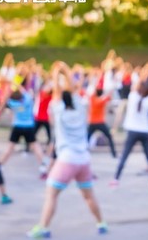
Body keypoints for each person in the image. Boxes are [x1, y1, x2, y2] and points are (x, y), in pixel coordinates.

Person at [27, 62, 107, 238]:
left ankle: (44, 228)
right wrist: (65, 69)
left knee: (51, 193)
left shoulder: (58, 108)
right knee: (88, 195)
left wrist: (56, 73)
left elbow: (58, 91)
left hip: (67, 159)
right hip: (83, 159)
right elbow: (71, 90)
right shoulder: (80, 106)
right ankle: (101, 223)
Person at [110, 65, 148, 187]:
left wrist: (142, 73)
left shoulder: (132, 97)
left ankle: (116, 178)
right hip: (144, 130)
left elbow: (136, 84)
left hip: (132, 130)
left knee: (125, 155)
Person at [0, 85, 48, 177]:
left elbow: (6, 97)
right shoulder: (27, 99)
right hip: (29, 126)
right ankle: (43, 165)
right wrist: (18, 85)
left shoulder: (13, 103)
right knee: (35, 146)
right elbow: (24, 91)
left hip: (17, 126)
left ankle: (1, 164)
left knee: (10, 147)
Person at [87, 88, 117, 158]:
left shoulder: (92, 99)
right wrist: (110, 91)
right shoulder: (101, 101)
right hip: (100, 122)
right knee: (109, 137)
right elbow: (109, 97)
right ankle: (114, 153)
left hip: (92, 122)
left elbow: (93, 93)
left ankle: (83, 152)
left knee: (87, 139)